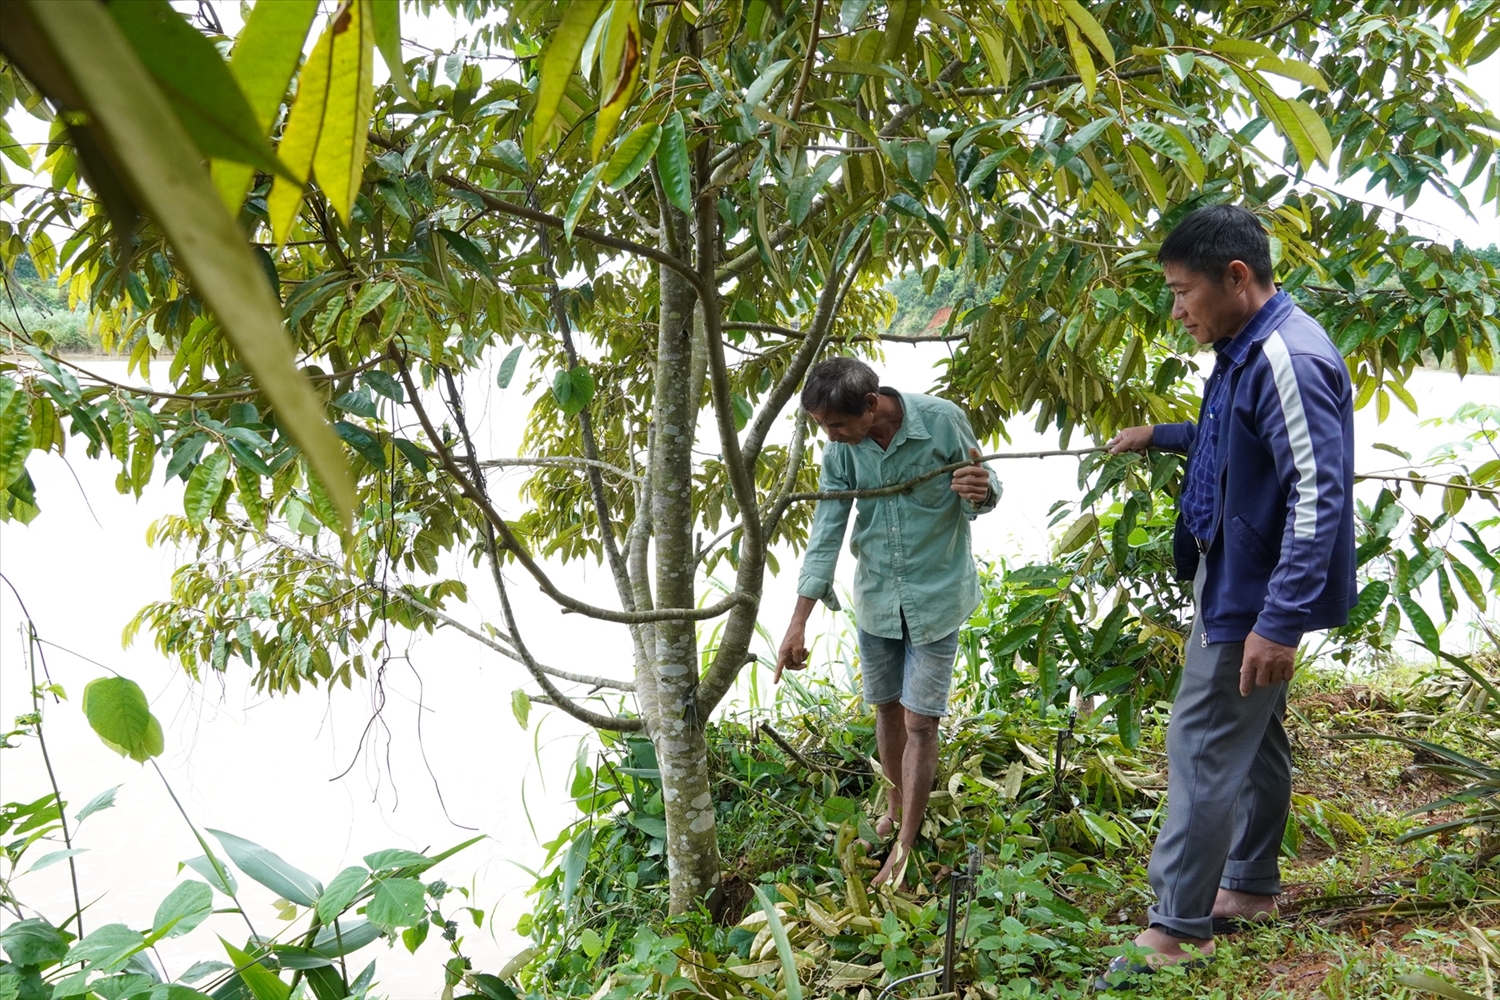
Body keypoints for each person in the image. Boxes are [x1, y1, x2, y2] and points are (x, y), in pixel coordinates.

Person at [1100, 204, 1355, 985]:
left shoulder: (1287, 355)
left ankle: (1177, 928)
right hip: (1237, 567)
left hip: (1254, 589)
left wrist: (1275, 622)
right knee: (1256, 734)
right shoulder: (1250, 347)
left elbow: (1319, 495)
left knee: (1203, 741)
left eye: (1183, 293)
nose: (1176, 312)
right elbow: (1232, 431)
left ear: (1236, 278)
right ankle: (1247, 885)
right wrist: (1163, 433)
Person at [775, 357, 1000, 887]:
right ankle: (897, 808)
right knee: (888, 711)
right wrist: (797, 622)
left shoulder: (942, 422)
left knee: (922, 721)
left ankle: (905, 844)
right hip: (877, 597)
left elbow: (983, 489)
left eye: (835, 424)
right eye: (821, 427)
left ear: (871, 406)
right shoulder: (843, 453)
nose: (829, 436)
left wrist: (980, 490)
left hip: (937, 593)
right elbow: (826, 531)